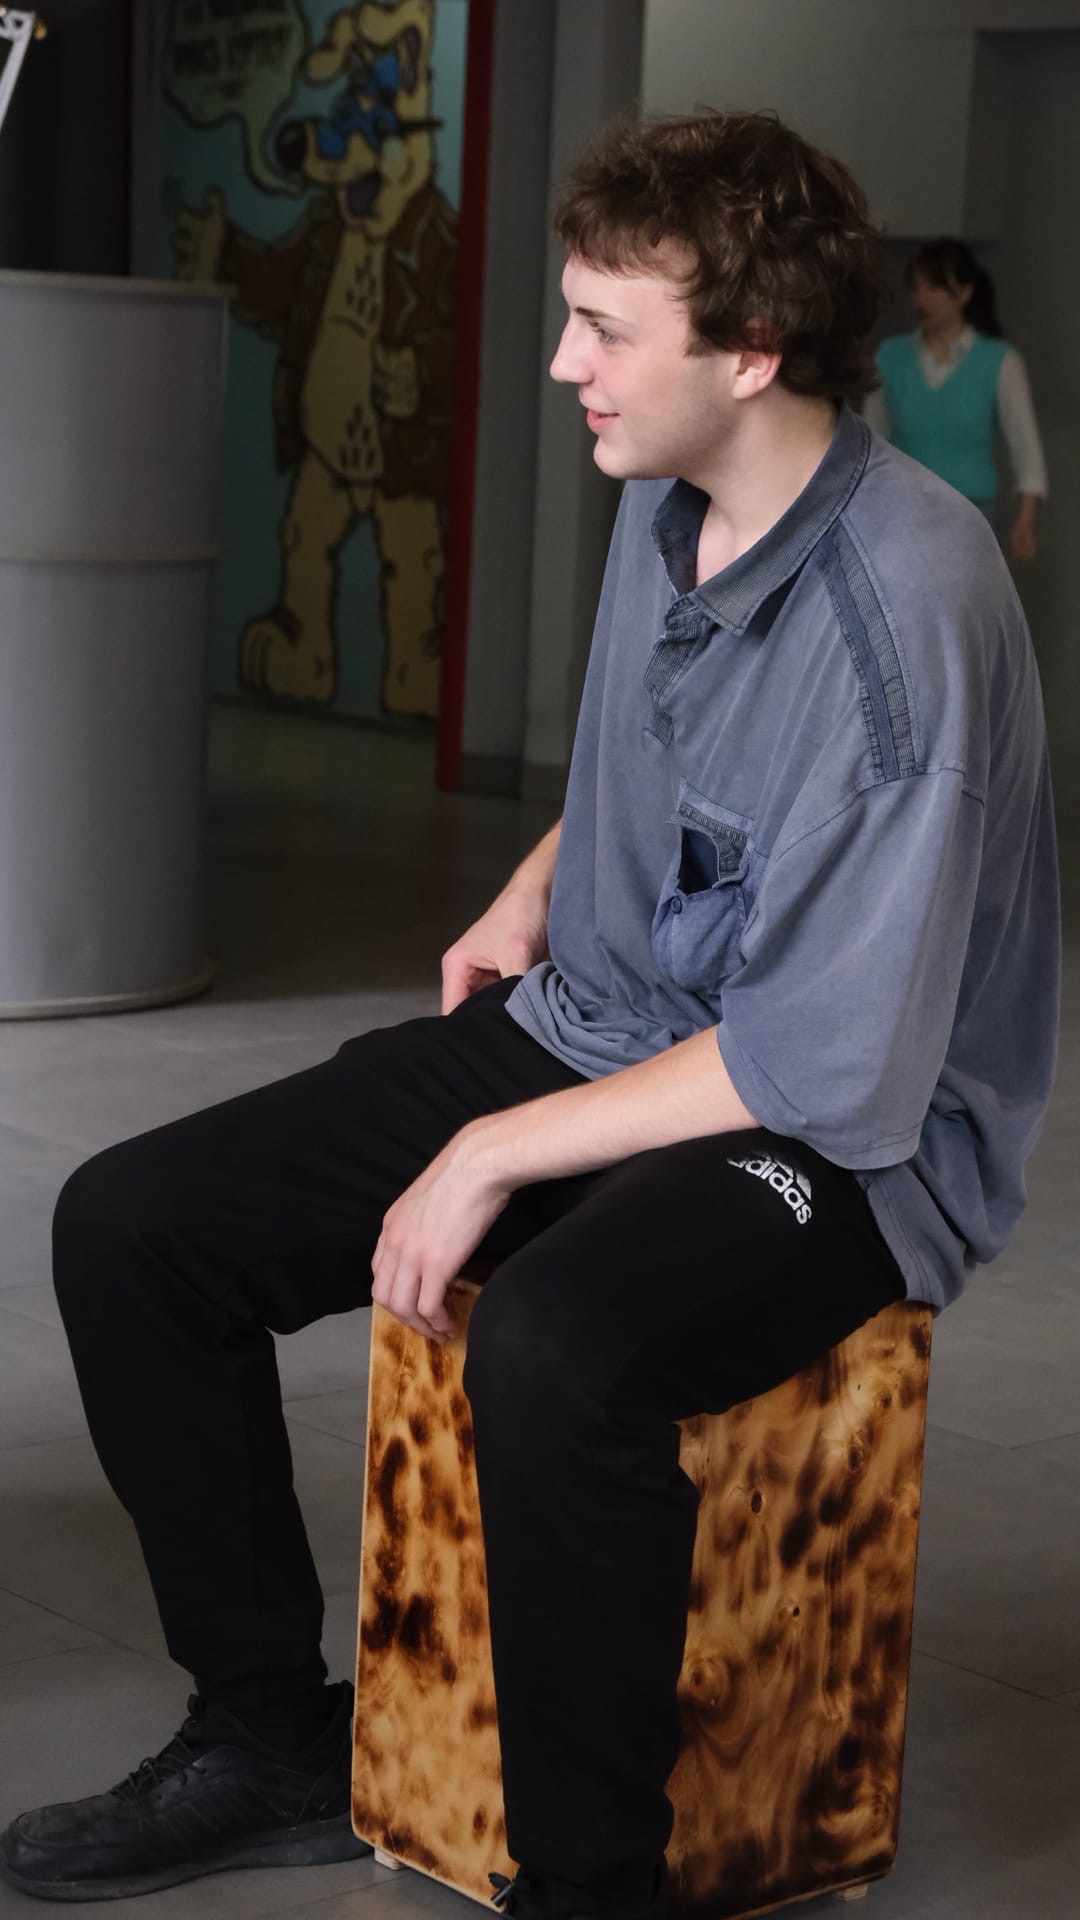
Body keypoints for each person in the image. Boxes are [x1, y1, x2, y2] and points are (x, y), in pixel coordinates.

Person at [1, 111, 1059, 1914]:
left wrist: (494, 1146)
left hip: (849, 1137)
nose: (564, 364)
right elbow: (693, 759)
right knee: (135, 1229)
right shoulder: (669, 494)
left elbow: (829, 1058)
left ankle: (592, 1890)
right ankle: (266, 1736)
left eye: (603, 329)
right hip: (612, 1023)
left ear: (751, 350)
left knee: (562, 1351)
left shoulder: (907, 614)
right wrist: (545, 873)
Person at [864, 237, 1047, 561]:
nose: (921, 298)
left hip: (971, 513)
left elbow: (1025, 446)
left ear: (964, 292)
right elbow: (871, 439)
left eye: (934, 287)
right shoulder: (890, 355)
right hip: (903, 508)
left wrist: (1026, 519)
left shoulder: (999, 361)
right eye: (916, 287)